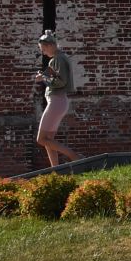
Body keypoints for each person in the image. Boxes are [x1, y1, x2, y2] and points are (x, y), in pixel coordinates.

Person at [34, 29, 84, 169]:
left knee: (41, 139)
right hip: (59, 101)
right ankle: (56, 170)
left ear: (50, 45)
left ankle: (75, 157)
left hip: (56, 101)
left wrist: (42, 77)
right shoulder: (60, 58)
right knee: (48, 140)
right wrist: (45, 76)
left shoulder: (57, 59)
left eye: (43, 49)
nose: (43, 52)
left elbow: (60, 81)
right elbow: (58, 79)